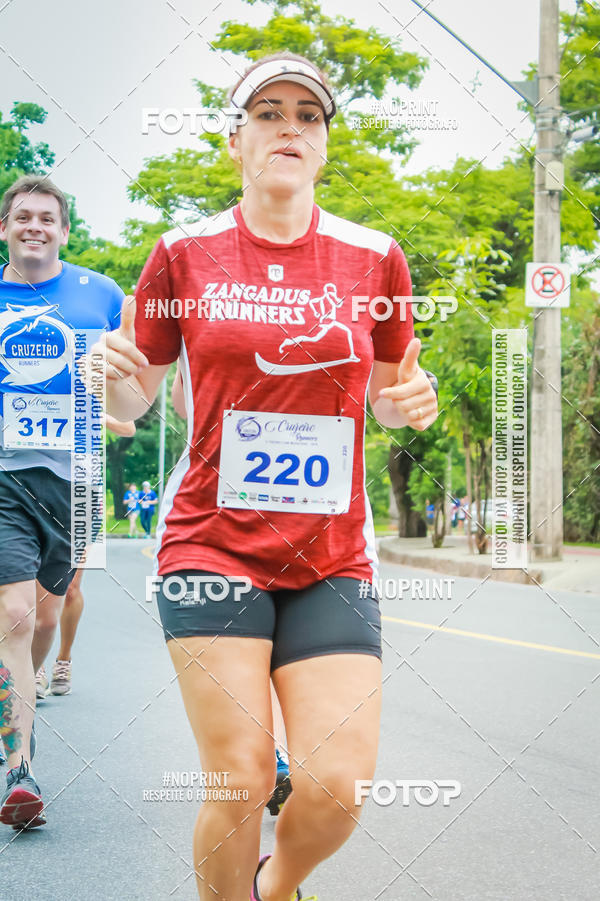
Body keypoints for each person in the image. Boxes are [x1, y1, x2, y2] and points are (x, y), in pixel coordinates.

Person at [90, 52, 438, 900]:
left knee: (337, 785)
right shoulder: (183, 253)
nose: (290, 127)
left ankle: (273, 887)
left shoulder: (375, 257)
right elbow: (136, 395)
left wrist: (411, 401)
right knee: (242, 776)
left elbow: (389, 396)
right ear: (235, 139)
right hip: (211, 544)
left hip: (330, 552)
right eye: (269, 113)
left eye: (308, 117)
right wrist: (106, 378)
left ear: (323, 145)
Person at [0, 175, 124, 828]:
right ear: (4, 228)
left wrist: (122, 400)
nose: (35, 226)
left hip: (77, 479)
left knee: (49, 615)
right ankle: (19, 766)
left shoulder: (100, 294)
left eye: (47, 218)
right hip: (4, 480)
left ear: (64, 231)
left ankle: (22, 687)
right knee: (16, 615)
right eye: (22, 216)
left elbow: (131, 382)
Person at [35, 415, 136, 699]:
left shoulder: (89, 379)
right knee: (32, 590)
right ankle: (36, 665)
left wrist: (94, 415)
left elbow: (129, 426)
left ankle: (63, 660)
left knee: (71, 588)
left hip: (83, 495)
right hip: (33, 484)